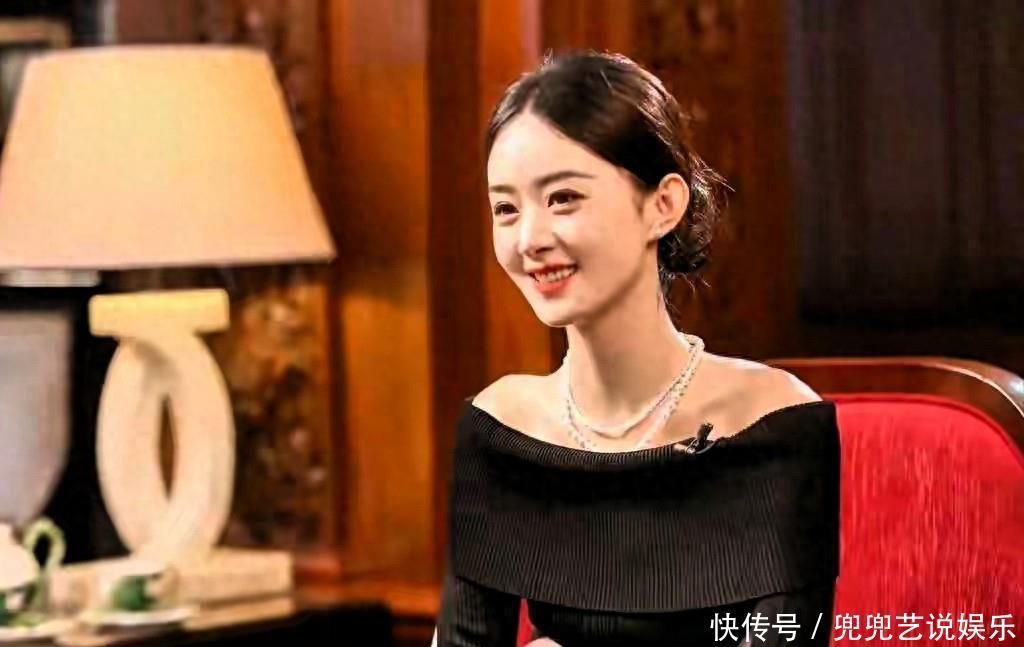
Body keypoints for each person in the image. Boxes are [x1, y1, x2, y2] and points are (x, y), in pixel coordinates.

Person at [434, 51, 840, 646]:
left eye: (562, 198)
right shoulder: (500, 431)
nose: (529, 240)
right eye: (506, 209)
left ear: (663, 205)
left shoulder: (774, 424)